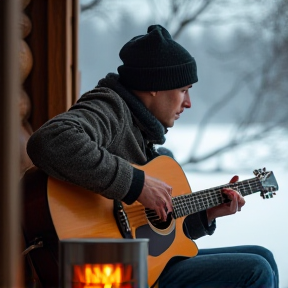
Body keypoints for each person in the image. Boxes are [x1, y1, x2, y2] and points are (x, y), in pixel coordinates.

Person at [27, 24, 279, 288]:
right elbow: (50, 140)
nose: (189, 102)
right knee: (256, 270)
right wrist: (137, 184)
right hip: (101, 268)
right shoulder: (110, 107)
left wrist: (207, 215)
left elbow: (157, 243)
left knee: (264, 257)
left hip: (135, 262)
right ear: (155, 86)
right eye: (183, 90)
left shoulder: (144, 136)